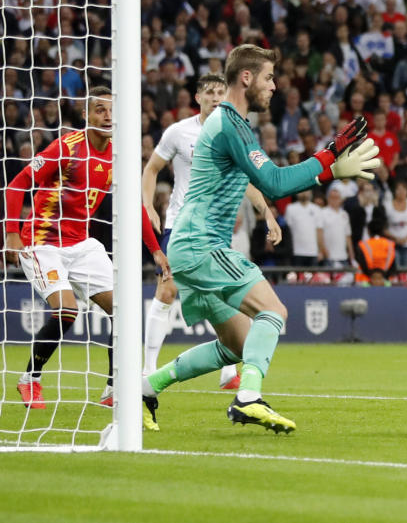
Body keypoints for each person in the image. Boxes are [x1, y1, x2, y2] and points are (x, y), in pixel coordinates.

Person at [140, 44, 380, 433]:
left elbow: (261, 184)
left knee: (237, 345)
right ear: (247, 78)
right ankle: (248, 399)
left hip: (191, 246)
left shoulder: (229, 124)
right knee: (274, 311)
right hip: (202, 246)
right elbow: (274, 182)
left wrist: (328, 165)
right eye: (269, 77)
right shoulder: (230, 123)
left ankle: (146, 388)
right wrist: (330, 159)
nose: (275, 86)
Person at [5, 87, 171, 409]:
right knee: (68, 310)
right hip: (44, 242)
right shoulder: (67, 148)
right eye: (99, 110)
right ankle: (30, 379)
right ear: (86, 115)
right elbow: (17, 183)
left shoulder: (117, 154)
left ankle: (113, 389)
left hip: (81, 244)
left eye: (112, 110)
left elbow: (133, 205)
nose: (107, 116)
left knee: (124, 310)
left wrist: (155, 250)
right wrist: (12, 233)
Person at [142, 74, 282, 389]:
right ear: (198, 97)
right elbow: (151, 169)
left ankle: (229, 372)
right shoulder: (179, 132)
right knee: (167, 290)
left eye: (221, 91)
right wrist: (148, 206)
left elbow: (246, 180)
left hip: (215, 228)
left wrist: (267, 214)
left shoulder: (232, 131)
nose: (216, 97)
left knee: (227, 293)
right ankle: (147, 369)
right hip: (181, 225)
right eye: (210, 92)